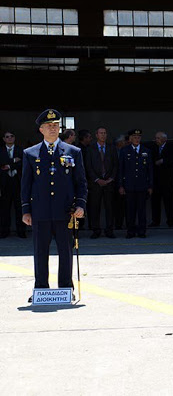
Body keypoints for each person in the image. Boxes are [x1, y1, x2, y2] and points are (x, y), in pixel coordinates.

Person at [21, 109, 87, 302]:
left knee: (65, 252)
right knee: (40, 252)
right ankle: (40, 289)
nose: (53, 129)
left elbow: (81, 182)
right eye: (48, 126)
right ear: (41, 129)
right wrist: (26, 210)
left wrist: (81, 205)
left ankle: (66, 288)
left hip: (65, 212)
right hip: (40, 213)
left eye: (56, 125)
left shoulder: (73, 152)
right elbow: (26, 185)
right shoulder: (30, 153)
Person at [85, 126, 118, 239]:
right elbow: (88, 166)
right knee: (95, 207)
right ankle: (96, 230)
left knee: (110, 207)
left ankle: (109, 230)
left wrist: (111, 178)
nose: (103, 135)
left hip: (109, 183)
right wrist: (97, 179)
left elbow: (115, 165)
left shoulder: (112, 148)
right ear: (96, 135)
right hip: (95, 184)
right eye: (101, 133)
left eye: (105, 133)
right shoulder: (90, 148)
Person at [118, 129, 153, 239]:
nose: (137, 139)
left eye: (138, 137)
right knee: (130, 210)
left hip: (142, 186)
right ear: (130, 139)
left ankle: (142, 231)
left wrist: (151, 185)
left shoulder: (146, 151)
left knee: (142, 210)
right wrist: (120, 185)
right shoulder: (124, 151)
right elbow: (120, 169)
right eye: (134, 137)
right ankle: (130, 231)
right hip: (129, 186)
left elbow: (150, 170)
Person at [0, 130, 27, 238]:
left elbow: (24, 163)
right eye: (7, 137)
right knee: (4, 209)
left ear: (14, 138)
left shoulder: (21, 150)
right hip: (5, 184)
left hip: (18, 183)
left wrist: (9, 165)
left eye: (11, 136)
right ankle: (4, 232)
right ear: (4, 139)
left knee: (19, 209)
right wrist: (14, 161)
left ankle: (21, 231)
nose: (9, 138)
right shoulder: (1, 151)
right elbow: (1, 163)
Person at [150, 131, 173, 228]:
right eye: (156, 138)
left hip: (167, 180)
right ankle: (155, 221)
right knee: (155, 202)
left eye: (158, 138)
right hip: (156, 180)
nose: (156, 140)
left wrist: (163, 161)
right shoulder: (153, 147)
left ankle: (170, 221)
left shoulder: (171, 147)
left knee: (168, 202)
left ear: (164, 139)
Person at [113, 134, 128, 230]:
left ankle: (126, 223)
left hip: (125, 182)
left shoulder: (126, 151)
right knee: (117, 205)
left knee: (125, 205)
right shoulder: (113, 151)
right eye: (124, 141)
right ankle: (118, 223)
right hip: (114, 181)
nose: (126, 143)